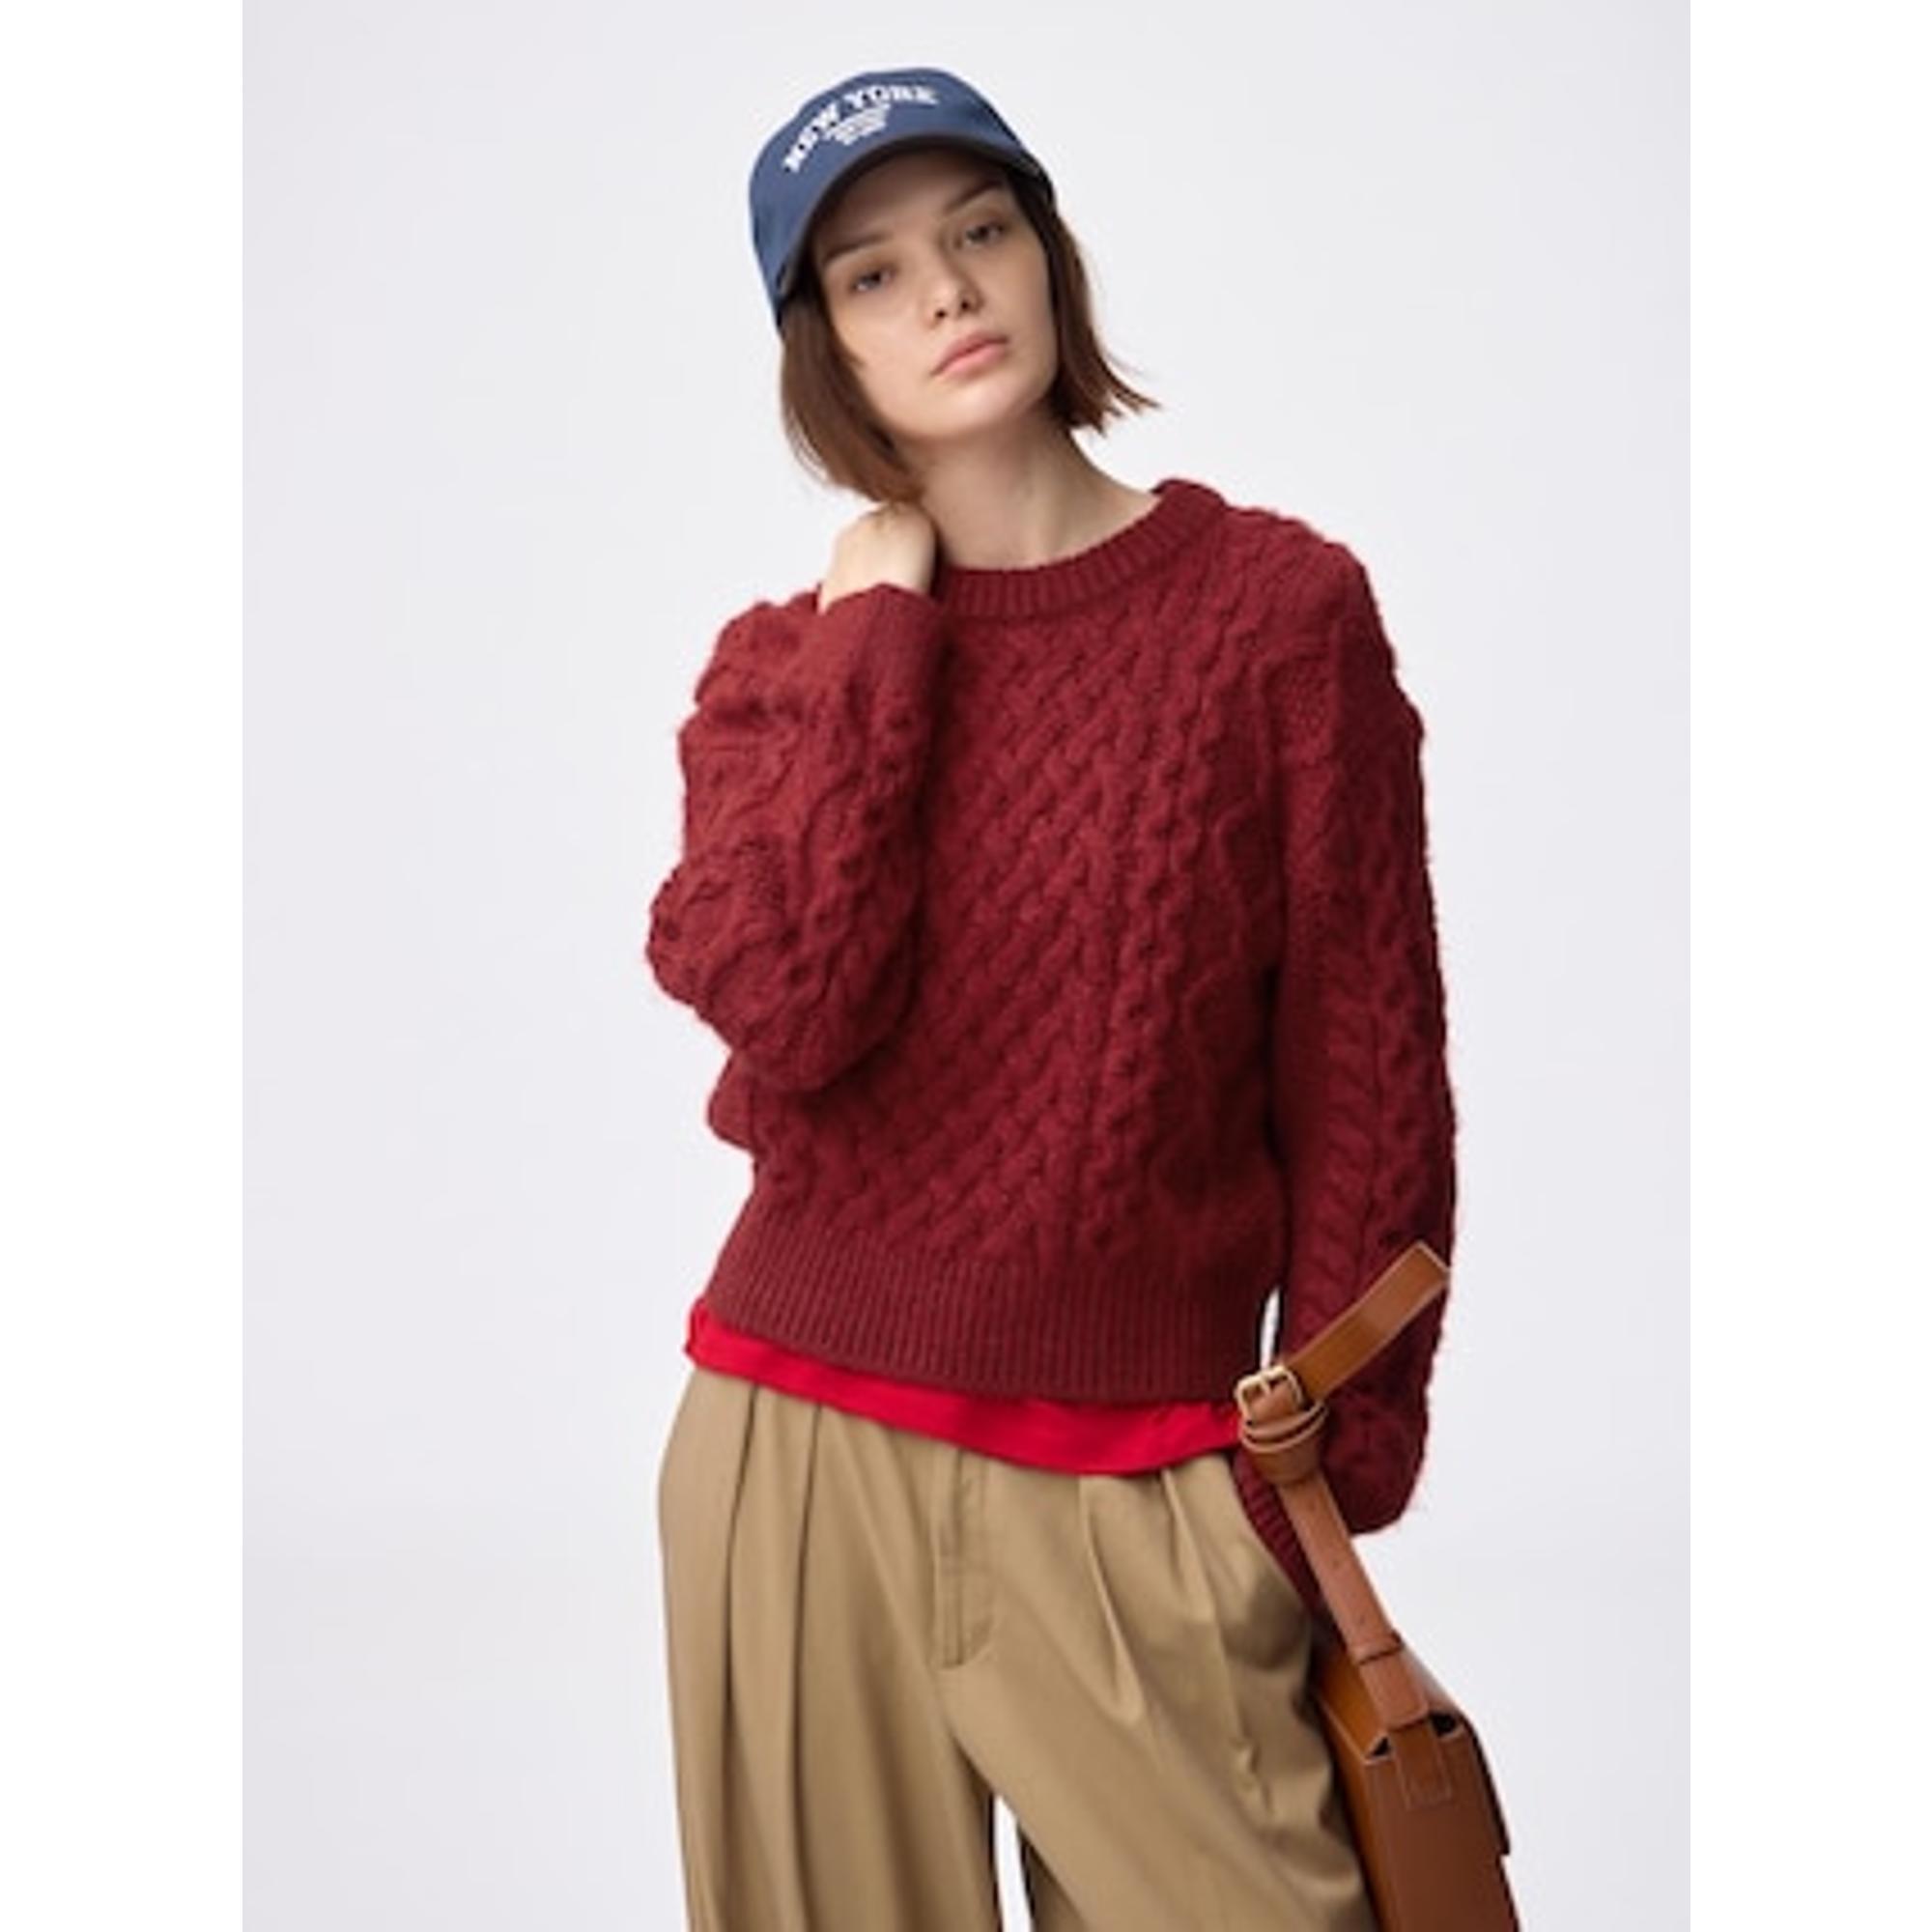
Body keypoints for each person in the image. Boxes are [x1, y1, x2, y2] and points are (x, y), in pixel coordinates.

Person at [644, 64, 1460, 1932]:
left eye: (981, 231)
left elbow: (1371, 1071)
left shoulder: (1277, 618)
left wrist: (1322, 1479)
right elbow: (797, 1002)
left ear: (1048, 259)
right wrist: (883, 634)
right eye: (873, 273)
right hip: (795, 1453)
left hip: (1148, 1485)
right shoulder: (784, 674)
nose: (946, 290)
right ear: (822, 349)